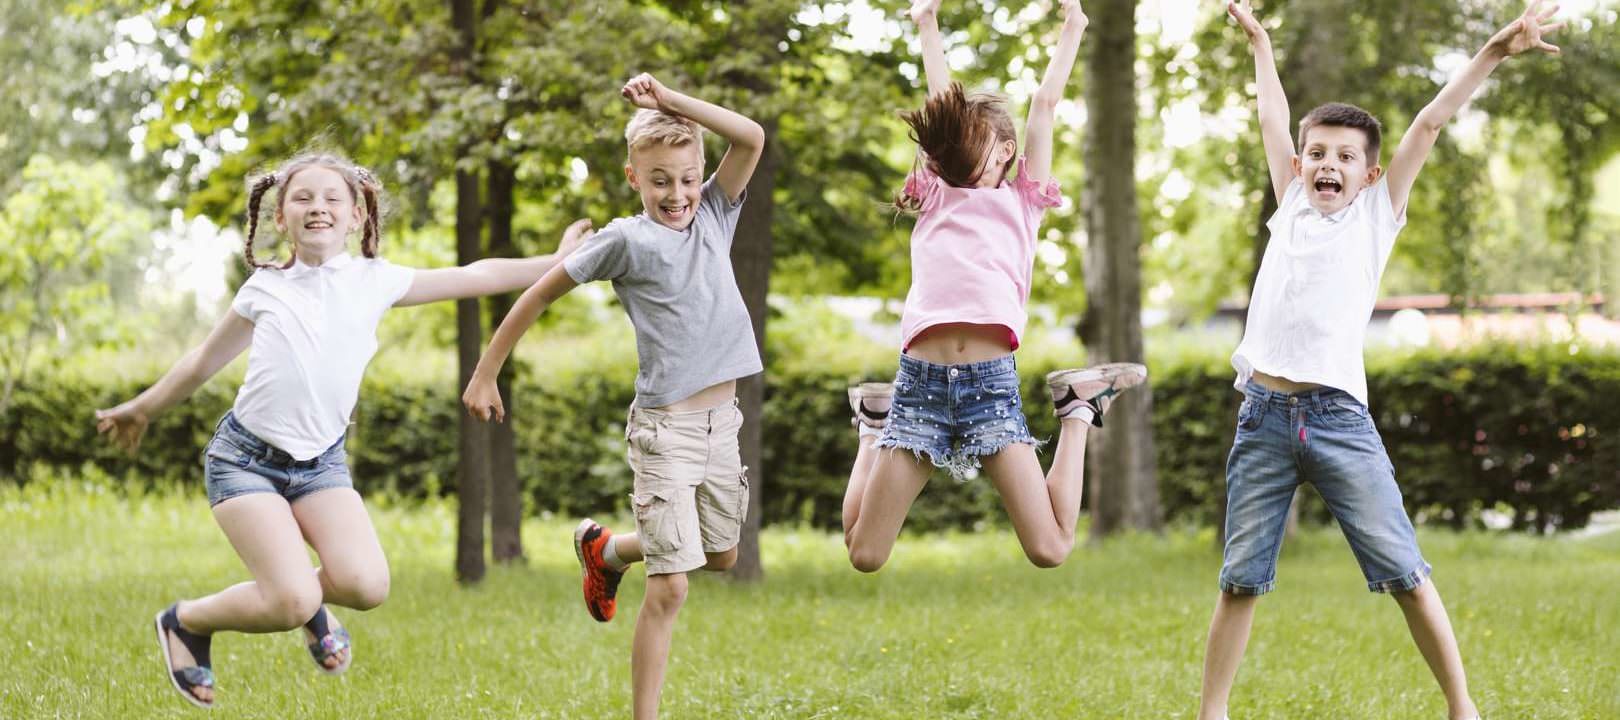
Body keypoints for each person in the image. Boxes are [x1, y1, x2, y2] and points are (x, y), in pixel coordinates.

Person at [96, 151, 590, 708]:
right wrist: (141, 408)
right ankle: (186, 622)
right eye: (302, 198)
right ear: (280, 218)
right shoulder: (264, 288)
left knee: (366, 585)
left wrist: (553, 261)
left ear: (357, 216)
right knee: (287, 600)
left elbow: (476, 276)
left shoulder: (374, 280)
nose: (318, 208)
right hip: (244, 461)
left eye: (333, 198)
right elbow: (199, 364)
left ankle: (310, 603)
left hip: (320, 465)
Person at [1197, 3, 1564, 718]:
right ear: (1300, 166)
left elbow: (1429, 121)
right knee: (1239, 579)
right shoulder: (1289, 208)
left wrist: (1492, 51)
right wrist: (1262, 47)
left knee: (1403, 570)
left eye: (1345, 157)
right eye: (1318, 154)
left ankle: (1463, 707)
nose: (1328, 165)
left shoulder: (1375, 217)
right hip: (1264, 418)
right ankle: (1212, 713)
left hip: (1339, 420)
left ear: (1368, 175)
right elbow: (1274, 118)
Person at [461, 73, 765, 720]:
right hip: (665, 430)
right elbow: (539, 291)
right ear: (633, 178)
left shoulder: (715, 211)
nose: (676, 193)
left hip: (721, 424)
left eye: (686, 178)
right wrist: (487, 371)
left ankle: (607, 551)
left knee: (723, 555)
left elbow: (751, 136)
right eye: (660, 181)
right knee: (673, 587)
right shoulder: (625, 240)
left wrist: (672, 102)